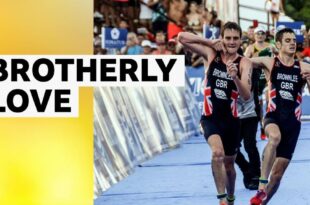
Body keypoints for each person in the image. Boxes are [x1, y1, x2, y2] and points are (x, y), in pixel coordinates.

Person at [178, 22, 252, 205]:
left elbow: (246, 95)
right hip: (210, 118)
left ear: (241, 40)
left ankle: (231, 196)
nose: (232, 42)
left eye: (235, 38)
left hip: (232, 122)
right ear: (222, 38)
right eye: (228, 38)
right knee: (217, 153)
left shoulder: (245, 63)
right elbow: (181, 37)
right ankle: (222, 199)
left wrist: (234, 77)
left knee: (229, 166)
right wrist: (209, 42)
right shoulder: (212, 54)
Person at [249, 28, 310, 205]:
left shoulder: (304, 67)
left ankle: (261, 201)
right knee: (274, 137)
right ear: (278, 44)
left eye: (294, 40)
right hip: (273, 117)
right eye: (288, 40)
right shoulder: (270, 63)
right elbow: (244, 61)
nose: (292, 43)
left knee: (277, 176)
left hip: (293, 124)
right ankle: (261, 186)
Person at [245, 27, 276, 140]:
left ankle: (269, 126)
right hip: (257, 79)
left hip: (268, 78)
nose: (260, 35)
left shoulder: (271, 47)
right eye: (258, 33)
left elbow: (279, 57)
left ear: (265, 35)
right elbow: (244, 62)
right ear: (254, 35)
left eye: (262, 33)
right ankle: (262, 128)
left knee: (269, 102)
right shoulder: (250, 48)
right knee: (259, 106)